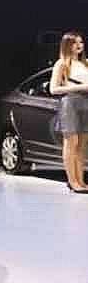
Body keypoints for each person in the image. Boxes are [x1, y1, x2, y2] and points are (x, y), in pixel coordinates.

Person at [49, 31, 88, 194]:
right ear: (67, 45)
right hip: (70, 102)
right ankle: (72, 182)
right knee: (71, 143)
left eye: (81, 42)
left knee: (82, 145)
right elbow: (53, 89)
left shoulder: (85, 63)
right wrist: (80, 87)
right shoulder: (62, 64)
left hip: (85, 103)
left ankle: (81, 181)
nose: (79, 45)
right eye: (74, 43)